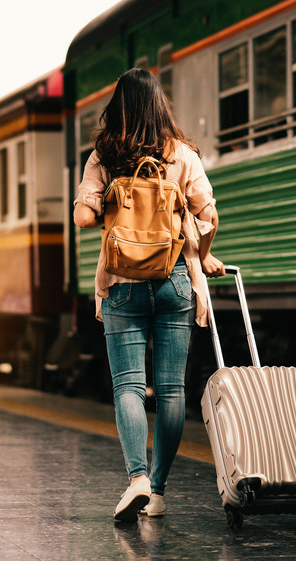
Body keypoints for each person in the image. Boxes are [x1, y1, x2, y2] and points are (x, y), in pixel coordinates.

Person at [73, 67, 225, 522]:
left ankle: (136, 477)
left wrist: (94, 203)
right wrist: (204, 254)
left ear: (117, 106)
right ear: (161, 105)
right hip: (177, 279)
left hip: (122, 284)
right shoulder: (183, 155)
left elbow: (84, 218)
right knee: (173, 390)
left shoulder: (104, 156)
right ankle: (156, 492)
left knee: (129, 387)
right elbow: (210, 217)